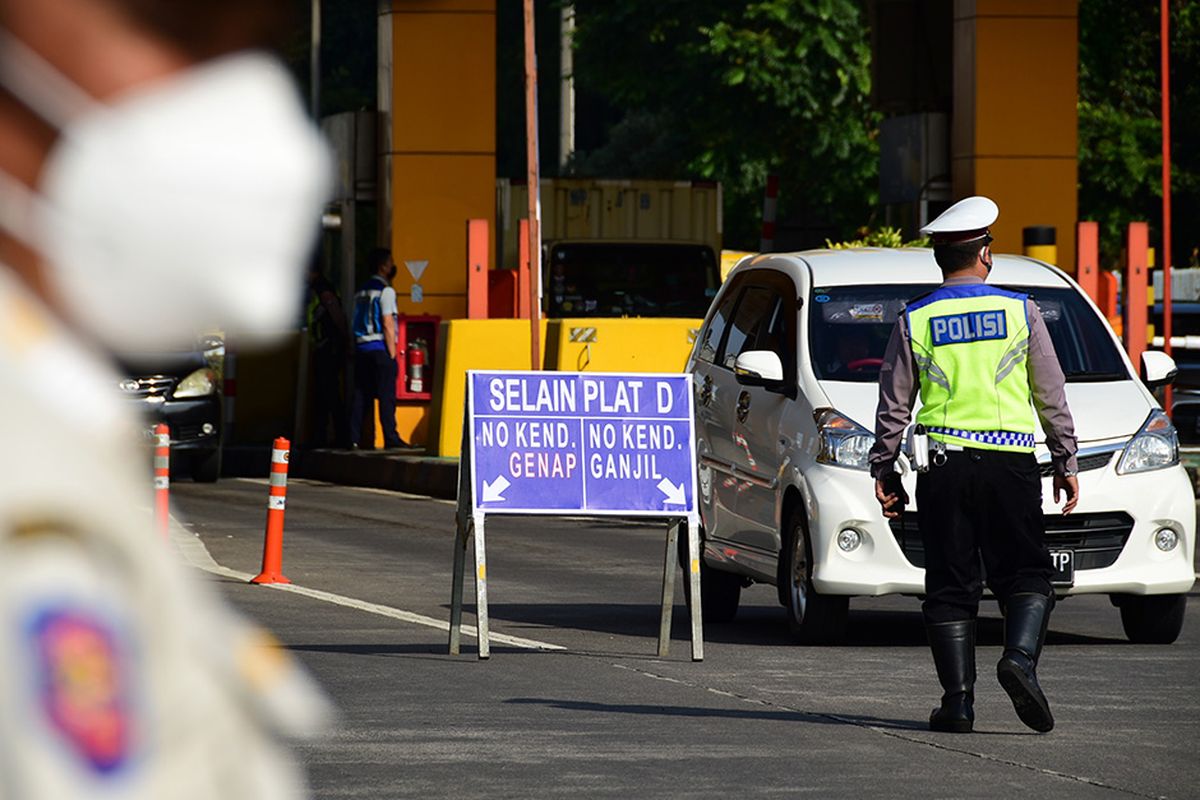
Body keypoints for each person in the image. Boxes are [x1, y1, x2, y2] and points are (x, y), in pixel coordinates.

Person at [0, 1, 332, 796]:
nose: (236, 100)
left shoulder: (62, 430)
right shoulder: (31, 507)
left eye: (258, 43)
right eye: (178, 28)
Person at [868, 196, 1079, 735]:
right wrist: (1065, 459)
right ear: (985, 253)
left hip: (943, 467)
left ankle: (957, 703)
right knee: (1026, 572)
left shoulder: (915, 317)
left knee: (950, 583)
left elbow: (893, 405)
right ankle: (1019, 660)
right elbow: (1049, 393)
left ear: (943, 257)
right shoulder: (1020, 310)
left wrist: (884, 470)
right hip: (1010, 465)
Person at [349, 248, 409, 450]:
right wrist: (392, 354)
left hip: (361, 348)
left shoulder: (361, 291)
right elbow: (387, 322)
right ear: (383, 266)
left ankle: (354, 438)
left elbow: (354, 320)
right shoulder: (386, 291)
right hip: (379, 349)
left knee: (361, 396)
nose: (393, 266)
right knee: (386, 396)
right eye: (391, 262)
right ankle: (390, 438)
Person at [306, 264, 351, 448]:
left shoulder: (322, 288)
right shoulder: (316, 288)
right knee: (323, 395)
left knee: (330, 393)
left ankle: (341, 437)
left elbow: (336, 315)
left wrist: (345, 340)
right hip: (323, 347)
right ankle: (322, 436)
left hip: (329, 348)